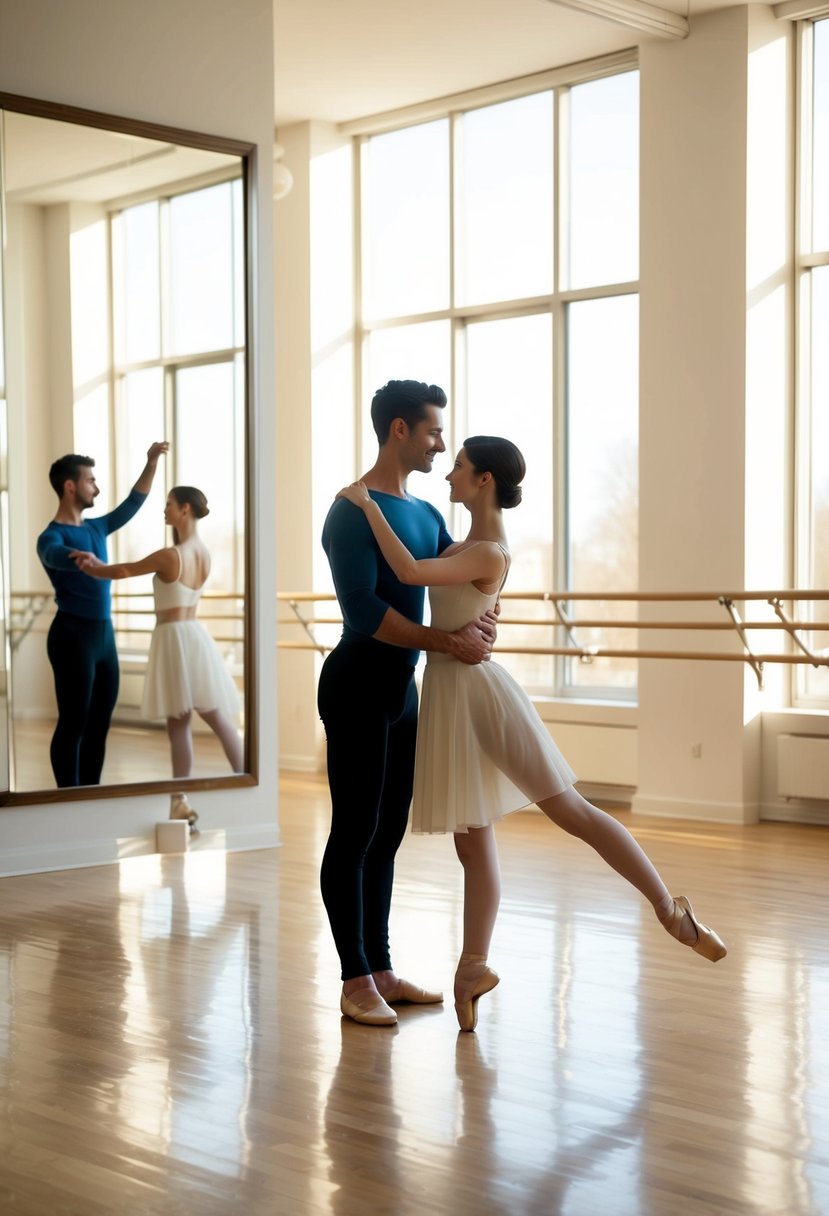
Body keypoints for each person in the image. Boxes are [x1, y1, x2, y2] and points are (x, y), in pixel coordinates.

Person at [337, 435, 727, 1032]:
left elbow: (410, 571)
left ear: (484, 479)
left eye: (460, 467)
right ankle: (472, 971)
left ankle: (671, 911)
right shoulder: (460, 538)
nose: (448, 475)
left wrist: (367, 506)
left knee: (572, 810)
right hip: (448, 695)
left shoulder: (489, 550)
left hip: (478, 696)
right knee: (473, 843)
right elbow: (438, 581)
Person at [319, 380, 499, 1028]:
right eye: (432, 432)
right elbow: (363, 610)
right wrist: (442, 640)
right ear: (399, 430)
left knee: (387, 834)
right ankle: (352, 978)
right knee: (354, 831)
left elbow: (466, 568)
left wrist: (484, 613)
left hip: (404, 690)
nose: (440, 444)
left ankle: (382, 969)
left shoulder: (424, 514)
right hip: (357, 683)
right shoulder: (348, 510)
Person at [70, 486, 242, 825]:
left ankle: (179, 799)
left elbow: (123, 571)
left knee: (180, 725)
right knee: (218, 718)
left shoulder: (172, 554)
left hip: (174, 638)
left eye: (169, 505)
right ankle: (245, 781)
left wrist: (91, 567)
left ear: (186, 509)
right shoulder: (204, 554)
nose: (164, 510)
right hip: (194, 636)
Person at [36, 443, 168, 787]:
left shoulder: (96, 528)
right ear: (70, 486)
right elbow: (50, 554)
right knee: (73, 721)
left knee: (99, 723)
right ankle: (68, 796)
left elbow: (133, 504)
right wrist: (74, 556)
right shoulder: (53, 535)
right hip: (71, 636)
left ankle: (90, 794)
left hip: (103, 638)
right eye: (91, 480)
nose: (96, 487)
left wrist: (151, 462)